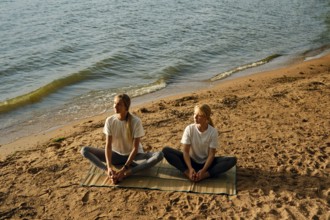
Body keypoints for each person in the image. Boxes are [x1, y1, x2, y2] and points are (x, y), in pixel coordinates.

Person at [81, 94, 163, 184]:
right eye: (114, 103)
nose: (115, 106)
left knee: (159, 155)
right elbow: (108, 146)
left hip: (135, 157)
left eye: (119, 104)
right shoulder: (110, 120)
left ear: (126, 107)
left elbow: (135, 148)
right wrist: (108, 167)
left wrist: (124, 169)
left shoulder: (135, 121)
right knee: (84, 150)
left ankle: (127, 174)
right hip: (116, 156)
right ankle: (109, 173)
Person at [162, 104, 236, 182]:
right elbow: (186, 152)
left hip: (206, 163)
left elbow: (211, 155)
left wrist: (204, 170)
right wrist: (190, 168)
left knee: (232, 160)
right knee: (166, 151)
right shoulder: (189, 129)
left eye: (199, 115)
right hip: (190, 161)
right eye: (194, 114)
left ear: (206, 117)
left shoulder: (213, 132)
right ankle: (188, 173)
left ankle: (204, 176)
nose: (195, 117)